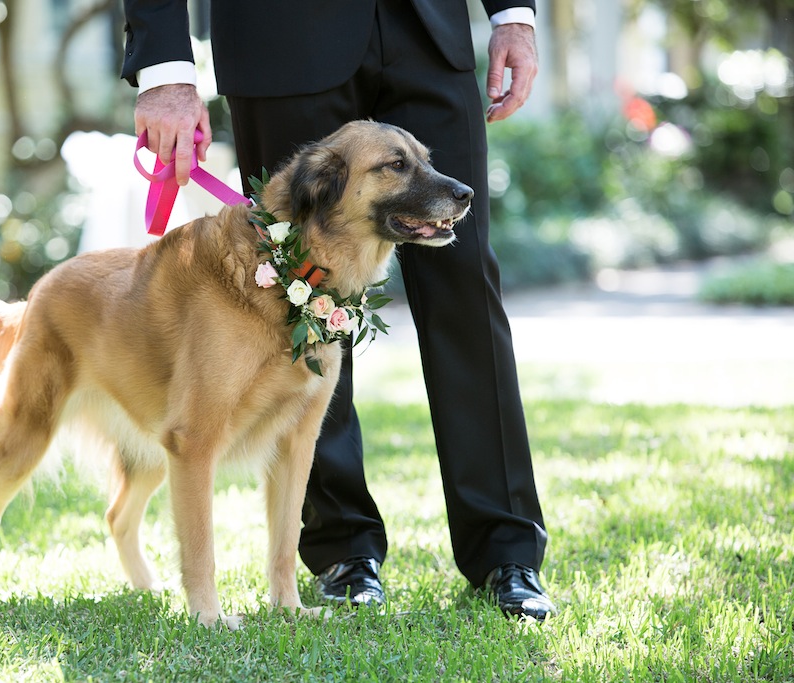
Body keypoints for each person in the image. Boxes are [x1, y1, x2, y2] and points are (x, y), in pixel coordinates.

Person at [121, 0, 555, 620]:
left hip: (429, 33)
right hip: (280, 39)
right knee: (293, 292)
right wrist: (165, 67)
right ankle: (341, 551)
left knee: (464, 284)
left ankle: (506, 550)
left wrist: (514, 14)